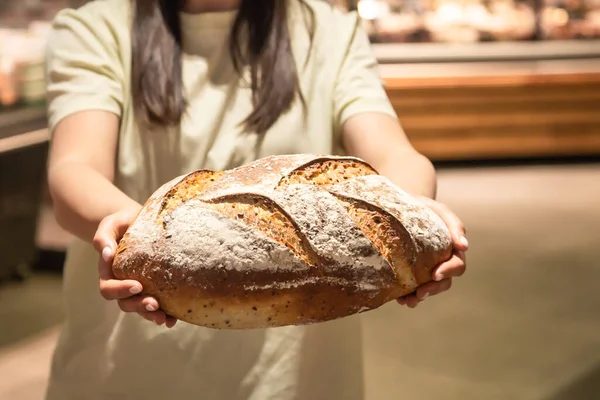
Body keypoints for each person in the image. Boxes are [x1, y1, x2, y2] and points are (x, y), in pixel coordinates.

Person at [43, 0, 468, 399]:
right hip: (133, 365)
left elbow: (392, 153)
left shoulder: (325, 30)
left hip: (293, 372)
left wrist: (413, 209)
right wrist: (131, 228)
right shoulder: (97, 27)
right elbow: (75, 167)